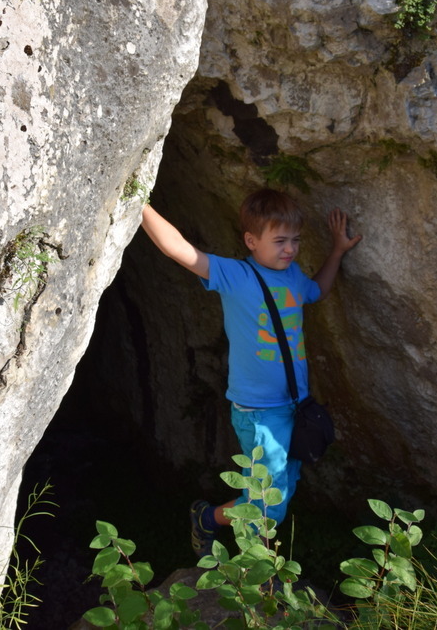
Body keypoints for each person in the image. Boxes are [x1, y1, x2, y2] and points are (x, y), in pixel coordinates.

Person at [140, 188, 362, 556]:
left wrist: (337, 250)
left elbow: (318, 291)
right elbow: (177, 248)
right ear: (251, 241)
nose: (290, 249)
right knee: (266, 501)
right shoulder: (236, 275)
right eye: (279, 241)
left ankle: (210, 520)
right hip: (258, 411)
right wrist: (138, 202)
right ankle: (256, 566)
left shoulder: (293, 277)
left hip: (294, 405)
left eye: (295, 240)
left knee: (282, 489)